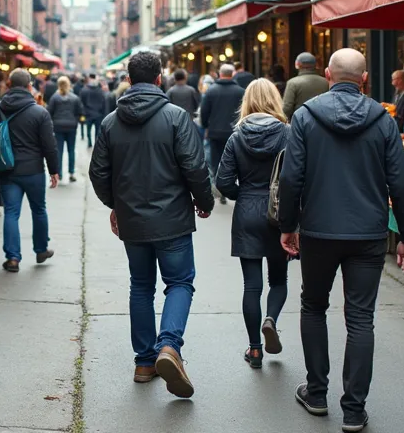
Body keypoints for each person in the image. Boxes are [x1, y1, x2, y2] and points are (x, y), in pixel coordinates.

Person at [278, 48, 404, 432]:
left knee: (313, 306)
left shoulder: (305, 117)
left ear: (327, 75)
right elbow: (401, 183)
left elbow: (291, 178)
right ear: (365, 79)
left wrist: (288, 224)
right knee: (360, 318)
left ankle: (318, 393)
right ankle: (354, 410)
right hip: (369, 233)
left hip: (320, 230)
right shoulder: (383, 120)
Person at [89, 50, 215, 398]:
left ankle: (145, 361)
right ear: (159, 78)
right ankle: (169, 345)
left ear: (128, 79)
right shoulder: (176, 117)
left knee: (141, 286)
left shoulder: (111, 122)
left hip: (133, 220)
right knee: (179, 282)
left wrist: (115, 205)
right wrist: (204, 202)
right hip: (173, 218)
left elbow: (98, 172)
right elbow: (195, 166)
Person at [214, 79, 289, 370]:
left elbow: (222, 182)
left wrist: (241, 194)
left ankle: (255, 349)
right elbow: (297, 176)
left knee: (251, 285)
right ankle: (271, 319)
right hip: (278, 214)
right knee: (279, 280)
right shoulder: (287, 133)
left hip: (247, 211)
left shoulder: (237, 137)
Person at [0, 69, 60, 273]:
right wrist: (54, 170)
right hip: (34, 170)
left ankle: (12, 258)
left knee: (11, 212)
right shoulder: (39, 112)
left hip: (7, 169)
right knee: (39, 209)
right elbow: (49, 145)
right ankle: (41, 249)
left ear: (8, 84)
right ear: (30, 86)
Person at [200, 64, 245, 204]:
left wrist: (206, 126)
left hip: (215, 132)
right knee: (235, 160)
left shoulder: (211, 91)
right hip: (234, 132)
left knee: (216, 160)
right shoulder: (240, 91)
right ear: (232, 74)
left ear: (220, 74)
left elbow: (204, 111)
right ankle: (232, 186)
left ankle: (219, 188)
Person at [47, 76, 85, 183]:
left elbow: (49, 112)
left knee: (59, 150)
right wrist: (76, 120)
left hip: (58, 126)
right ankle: (71, 172)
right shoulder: (75, 98)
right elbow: (80, 111)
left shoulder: (54, 98)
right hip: (71, 126)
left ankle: (59, 173)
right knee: (71, 150)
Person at [282, 52, 330, 117]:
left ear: (297, 64)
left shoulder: (292, 83)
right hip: (322, 121)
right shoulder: (326, 82)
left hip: (299, 122)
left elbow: (287, 109)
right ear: (316, 65)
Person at [80, 74, 108, 147]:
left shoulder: (84, 90)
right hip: (98, 114)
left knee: (88, 130)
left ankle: (89, 142)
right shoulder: (100, 91)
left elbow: (81, 102)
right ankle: (96, 143)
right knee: (97, 131)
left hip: (88, 113)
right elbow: (104, 103)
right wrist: (103, 113)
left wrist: (83, 112)